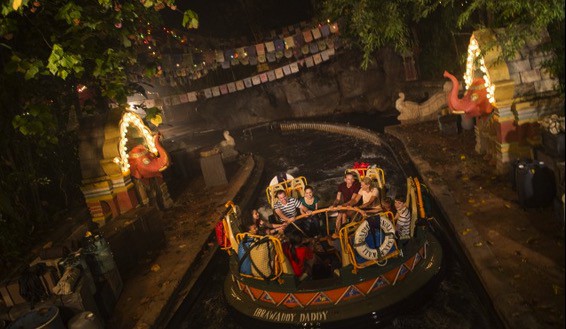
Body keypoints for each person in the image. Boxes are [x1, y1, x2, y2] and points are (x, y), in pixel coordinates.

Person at [330, 172, 361, 238]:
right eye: (348, 179)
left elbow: (353, 200)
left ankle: (344, 232)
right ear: (345, 180)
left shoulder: (356, 185)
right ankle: (337, 232)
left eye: (352, 179)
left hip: (353, 204)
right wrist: (334, 205)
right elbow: (337, 199)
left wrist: (342, 205)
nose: (350, 181)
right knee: (339, 217)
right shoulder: (341, 185)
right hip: (345, 205)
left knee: (343, 215)